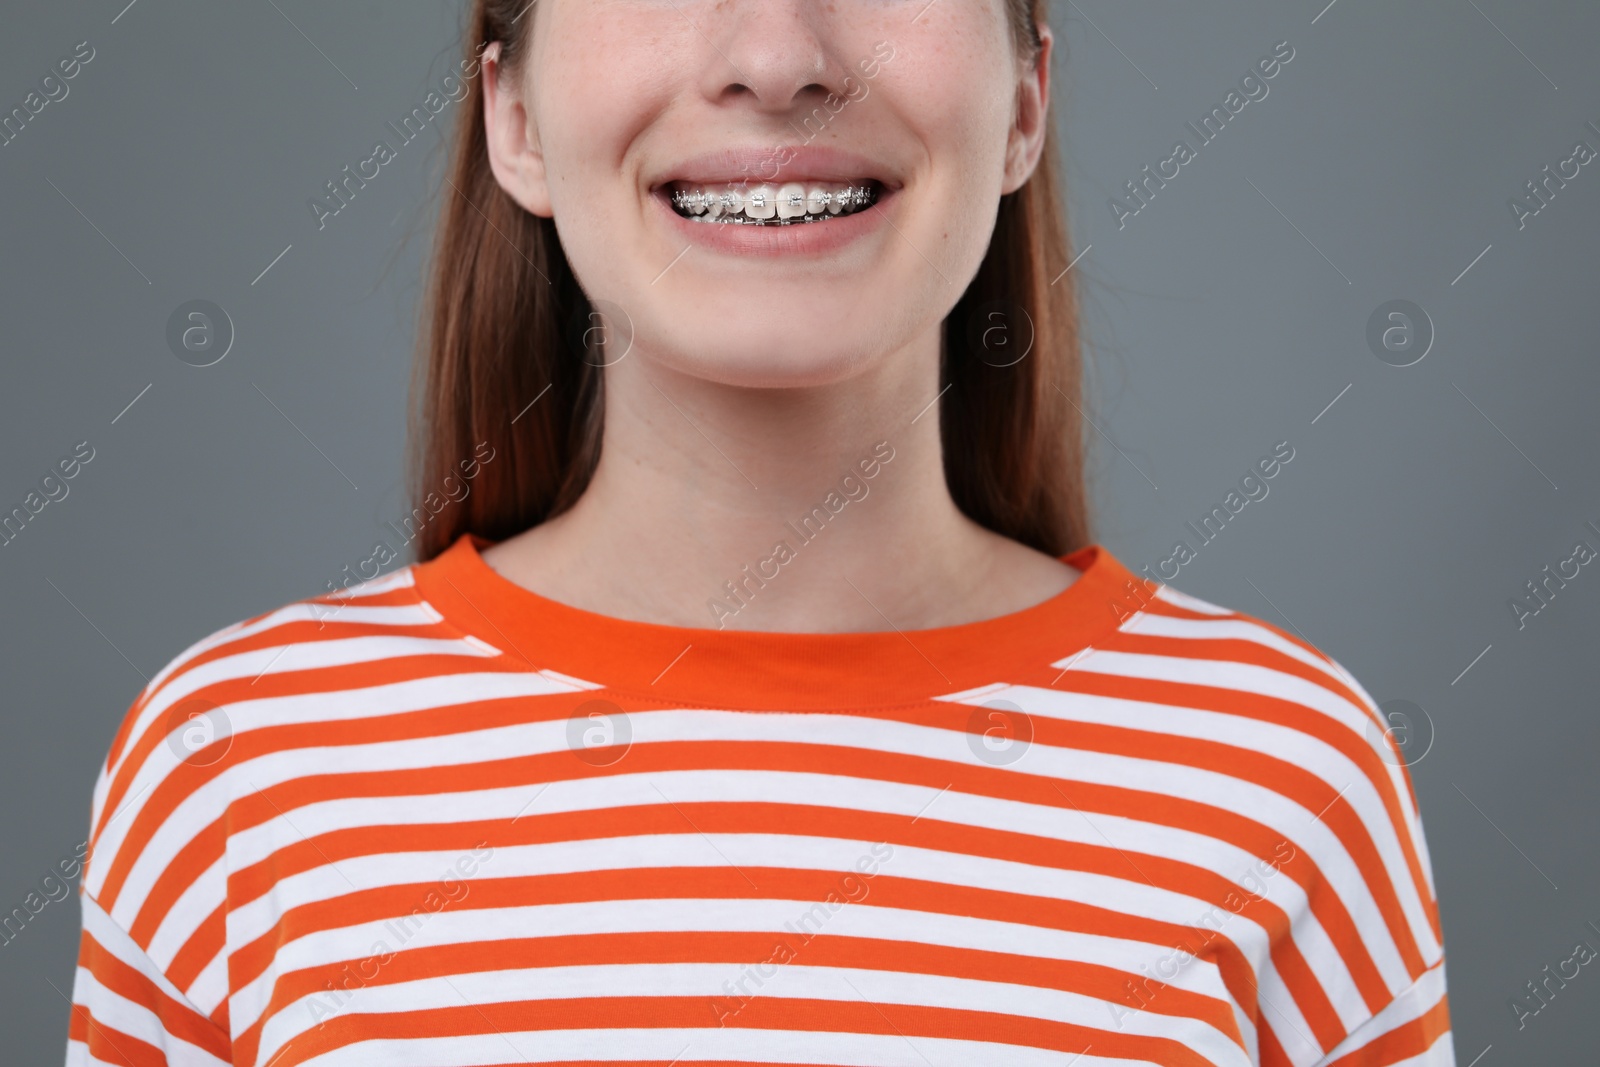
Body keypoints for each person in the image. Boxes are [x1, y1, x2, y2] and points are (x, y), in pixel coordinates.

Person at [63, 0, 1452, 1063]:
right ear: (518, 121)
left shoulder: (1288, 770)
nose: (777, 54)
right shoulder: (234, 767)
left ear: (1024, 99)